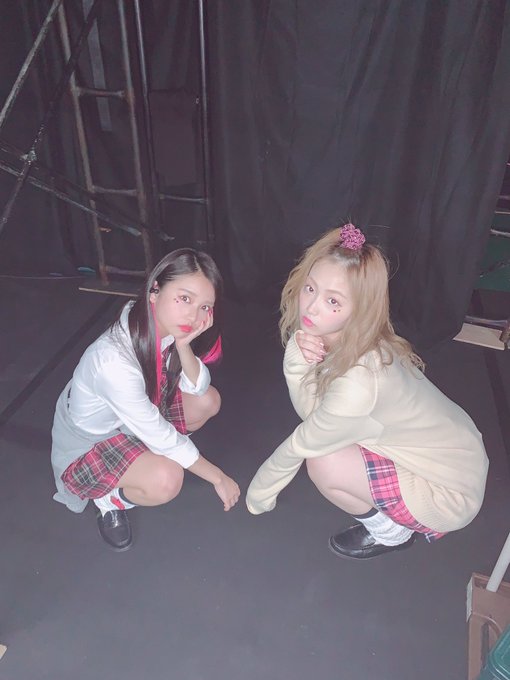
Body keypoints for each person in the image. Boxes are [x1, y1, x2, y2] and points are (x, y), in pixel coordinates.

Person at [246, 223, 489, 559]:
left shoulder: (360, 382)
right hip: (459, 454)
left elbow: (307, 434)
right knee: (333, 438)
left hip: (448, 492)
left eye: (333, 301)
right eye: (310, 288)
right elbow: (320, 413)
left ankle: (392, 533)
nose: (311, 308)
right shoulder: (362, 340)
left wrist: (259, 495)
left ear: (359, 309)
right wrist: (299, 356)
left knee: (323, 462)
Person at [51, 248, 240, 551]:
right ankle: (108, 499)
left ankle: (143, 458)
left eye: (204, 307)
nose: (194, 316)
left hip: (130, 418)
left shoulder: (157, 322)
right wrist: (217, 477)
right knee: (166, 479)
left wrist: (184, 345)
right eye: (185, 298)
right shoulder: (113, 362)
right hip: (90, 442)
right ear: (155, 290)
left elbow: (198, 387)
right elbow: (160, 435)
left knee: (207, 401)